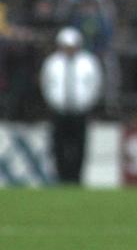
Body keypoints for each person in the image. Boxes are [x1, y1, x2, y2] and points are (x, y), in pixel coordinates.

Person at [39, 27, 103, 184]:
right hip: (59, 111)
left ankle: (76, 178)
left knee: (79, 146)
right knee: (58, 146)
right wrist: (54, 102)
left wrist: (86, 103)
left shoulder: (88, 62)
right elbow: (45, 85)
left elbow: (95, 85)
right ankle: (61, 177)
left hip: (80, 111)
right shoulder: (52, 63)